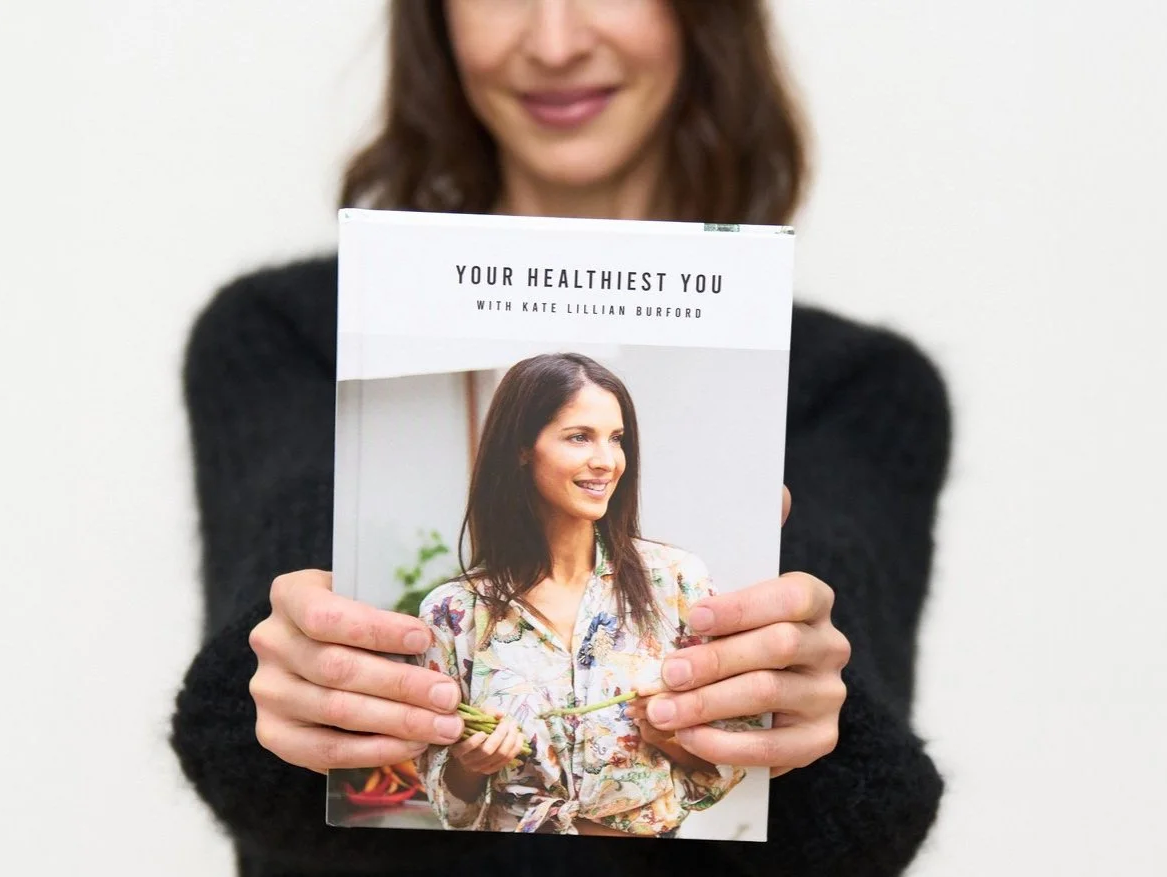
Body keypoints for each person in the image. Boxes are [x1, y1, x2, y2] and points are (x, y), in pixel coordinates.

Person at [169, 1, 952, 874]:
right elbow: (294, 788)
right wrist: (302, 712)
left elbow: (858, 829)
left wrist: (792, 737)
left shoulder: (852, 399)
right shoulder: (287, 342)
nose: (554, 42)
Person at [415, 352, 749, 836]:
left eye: (616, 439)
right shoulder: (452, 612)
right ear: (521, 448)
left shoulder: (676, 583)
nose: (606, 461)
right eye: (579, 437)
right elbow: (448, 807)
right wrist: (472, 764)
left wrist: (672, 737)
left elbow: (726, 763)